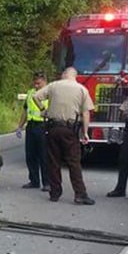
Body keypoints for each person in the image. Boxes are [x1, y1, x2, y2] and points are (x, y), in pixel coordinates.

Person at [32, 66, 95, 204]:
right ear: (75, 76)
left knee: (53, 162)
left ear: (64, 74)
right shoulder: (81, 89)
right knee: (74, 162)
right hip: (69, 130)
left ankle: (55, 193)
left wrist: (43, 110)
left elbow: (35, 96)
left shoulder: (53, 85)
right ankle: (80, 194)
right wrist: (85, 132)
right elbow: (86, 113)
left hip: (53, 128)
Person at [16, 71, 49, 190]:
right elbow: (25, 111)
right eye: (34, 83)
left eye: (38, 83)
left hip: (43, 126)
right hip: (31, 126)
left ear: (44, 82)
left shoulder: (49, 93)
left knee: (44, 156)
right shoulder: (30, 93)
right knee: (30, 155)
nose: (36, 85)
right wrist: (20, 126)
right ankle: (34, 180)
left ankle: (47, 183)